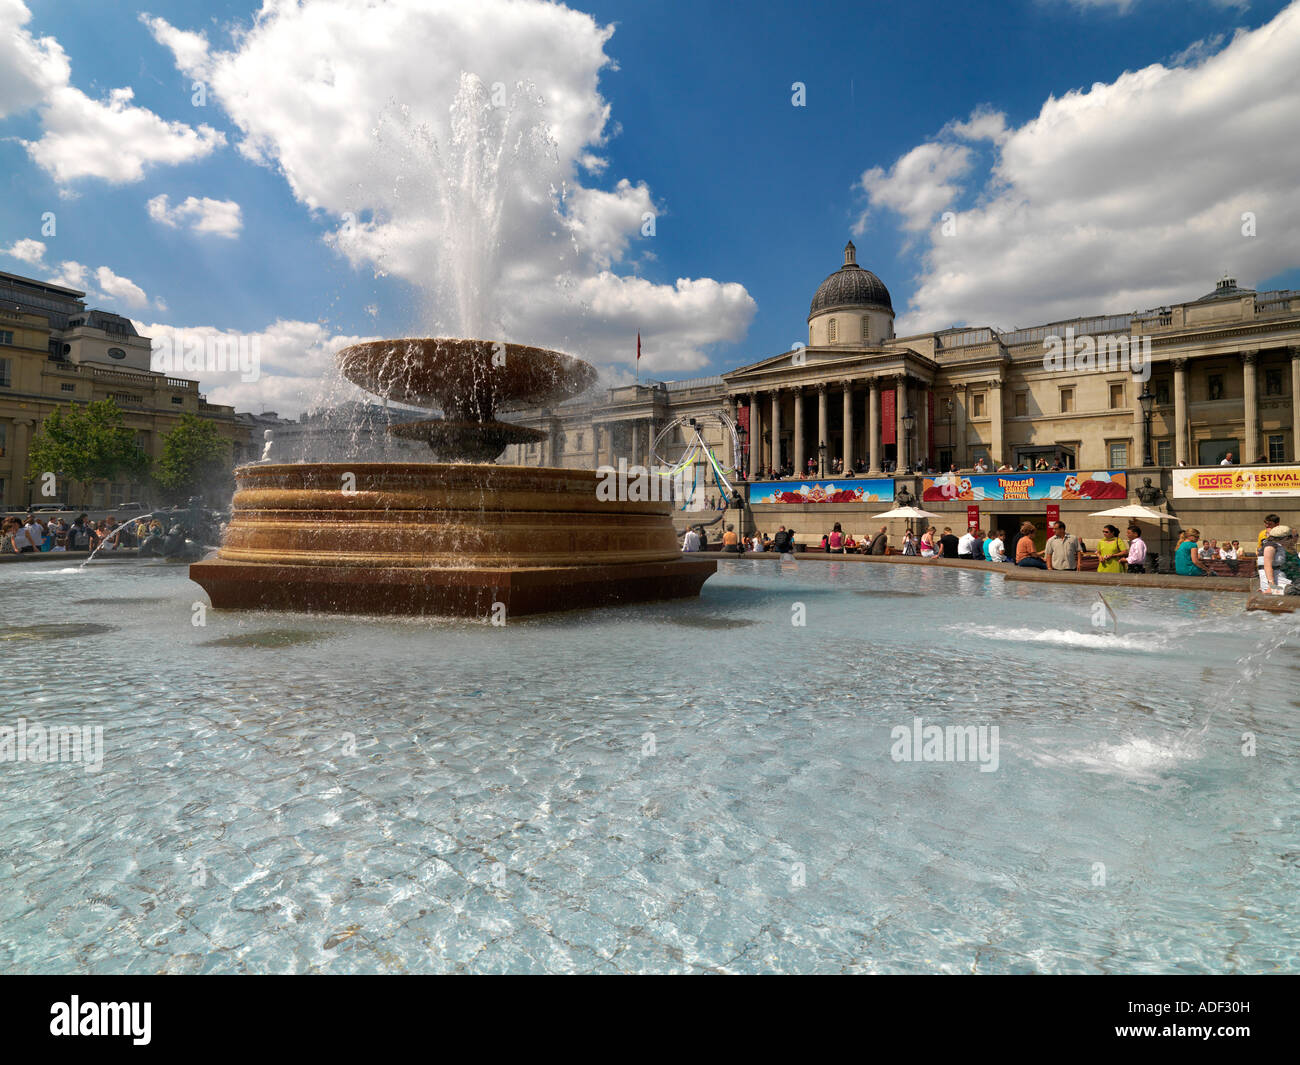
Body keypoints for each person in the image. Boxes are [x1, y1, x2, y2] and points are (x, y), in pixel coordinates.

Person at [1256, 525, 1298, 595]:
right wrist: (1271, 586)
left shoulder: (1279, 546)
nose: (1291, 540)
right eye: (1290, 538)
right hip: (1275, 585)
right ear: (1285, 538)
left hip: (1281, 581)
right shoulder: (1270, 546)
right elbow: (1267, 566)